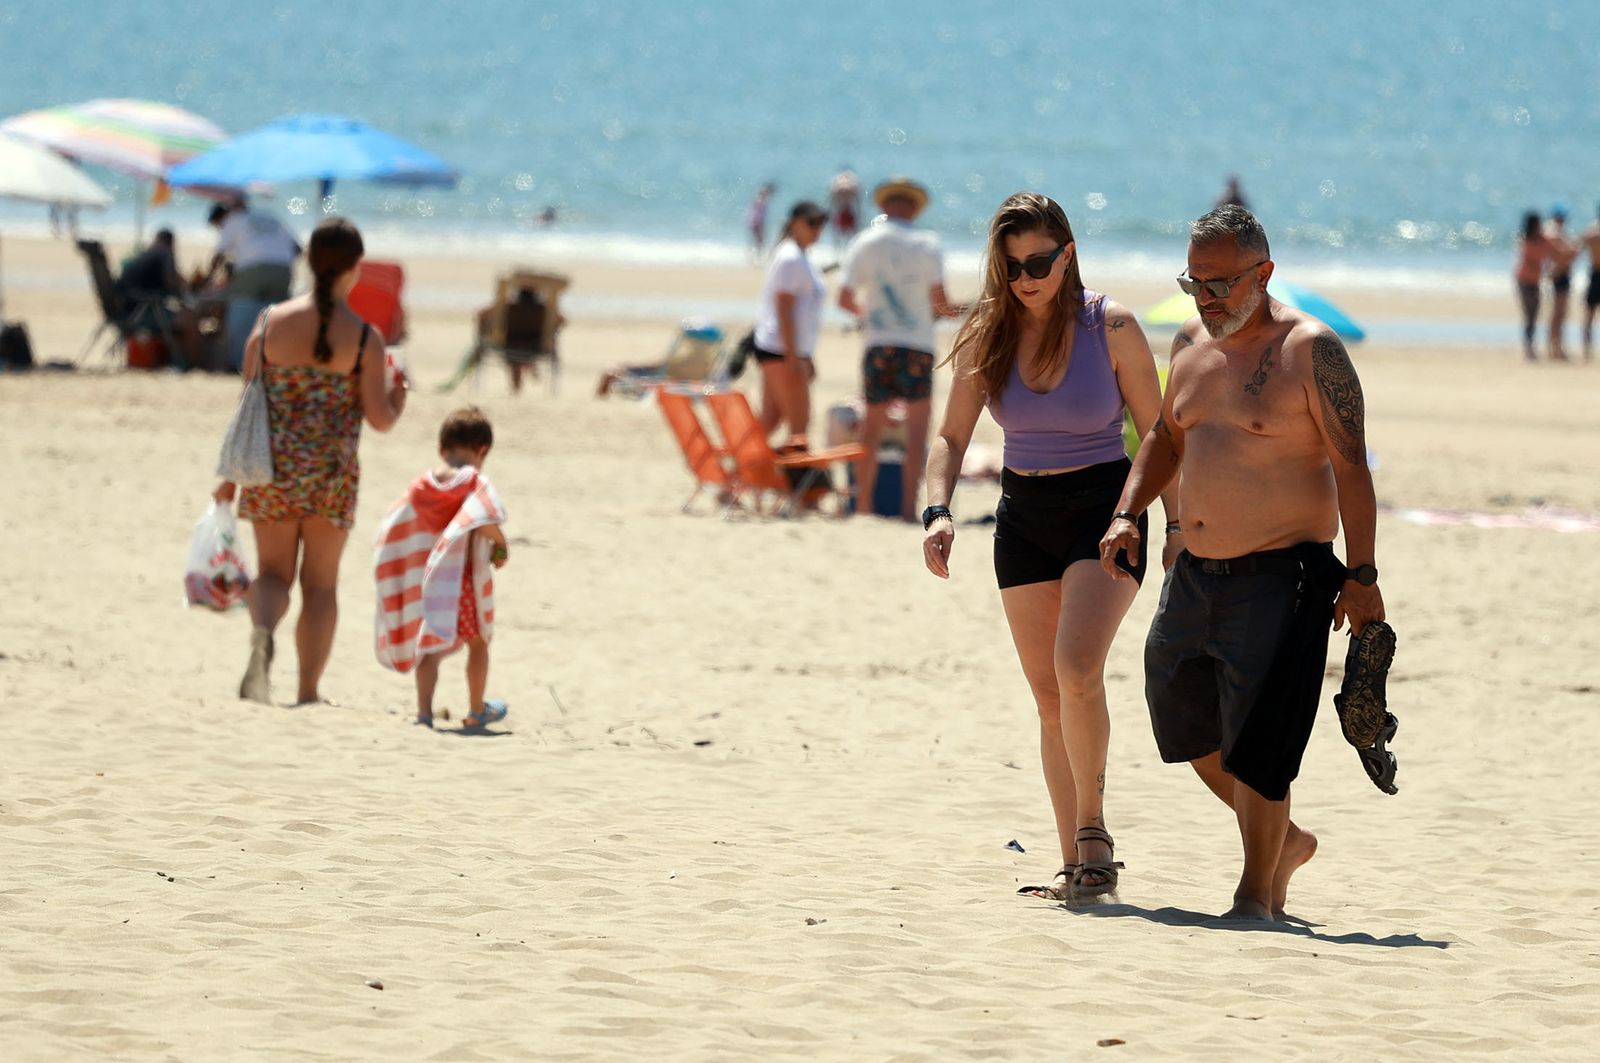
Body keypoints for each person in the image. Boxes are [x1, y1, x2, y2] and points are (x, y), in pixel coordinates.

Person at [1098, 204, 1384, 921]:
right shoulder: (1189, 341)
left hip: (1284, 575)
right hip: (1196, 570)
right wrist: (1128, 511)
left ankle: (1258, 893)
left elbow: (1352, 468)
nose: (1206, 298)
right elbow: (1166, 437)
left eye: (1221, 284)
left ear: (1265, 272)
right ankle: (1283, 840)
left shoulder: (1310, 351)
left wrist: (1362, 576)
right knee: (1179, 714)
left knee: (1262, 740)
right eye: (1194, 282)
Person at [922, 192, 1176, 900]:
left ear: (1068, 254)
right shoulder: (988, 331)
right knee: (1048, 697)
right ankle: (1075, 865)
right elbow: (950, 436)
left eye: (1038, 263)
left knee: (1076, 667)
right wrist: (938, 511)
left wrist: (1177, 526)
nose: (1025, 279)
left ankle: (1094, 834)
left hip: (1107, 513)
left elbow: (1161, 434)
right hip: (1023, 520)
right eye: (1011, 267)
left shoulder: (1111, 325)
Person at [214, 217, 408, 706]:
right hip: (331, 478)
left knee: (272, 575)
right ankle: (307, 691)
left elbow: (246, 405)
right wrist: (397, 398)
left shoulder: (269, 324)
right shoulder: (364, 338)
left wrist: (230, 479)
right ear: (354, 267)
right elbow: (380, 419)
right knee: (320, 586)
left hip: (270, 471)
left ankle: (263, 630)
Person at [373, 407, 510, 732]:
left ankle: (424, 713)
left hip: (429, 582)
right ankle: (476, 709)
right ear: (482, 451)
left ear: (441, 448)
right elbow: (483, 519)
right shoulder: (474, 482)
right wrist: (500, 544)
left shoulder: (420, 486)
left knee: (429, 647)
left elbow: (399, 522)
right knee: (478, 643)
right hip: (463, 584)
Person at [837, 176, 965, 520]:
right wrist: (970, 309)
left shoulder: (865, 241)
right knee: (917, 433)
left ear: (884, 206)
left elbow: (845, 298)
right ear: (914, 208)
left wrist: (870, 317)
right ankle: (908, 509)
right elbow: (941, 305)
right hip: (918, 345)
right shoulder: (928, 244)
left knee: (871, 429)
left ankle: (864, 506)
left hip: (879, 343)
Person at [751, 201, 829, 445]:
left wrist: (805, 355)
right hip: (782, 350)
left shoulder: (796, 255)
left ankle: (742, 466)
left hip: (781, 348)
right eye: (811, 223)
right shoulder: (790, 257)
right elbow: (784, 309)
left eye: (821, 224)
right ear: (795, 223)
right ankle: (788, 471)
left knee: (770, 418)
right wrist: (794, 356)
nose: (817, 230)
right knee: (799, 427)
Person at [206, 199, 303, 371]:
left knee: (240, 312)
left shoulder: (233, 219)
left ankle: (237, 362)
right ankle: (276, 361)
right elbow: (298, 249)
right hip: (283, 270)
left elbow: (219, 255)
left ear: (222, 216)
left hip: (253, 269)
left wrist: (208, 280)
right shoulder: (270, 216)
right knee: (276, 317)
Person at [115, 229, 203, 364]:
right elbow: (170, 280)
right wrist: (185, 295)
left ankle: (180, 359)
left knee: (182, 315)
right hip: (140, 313)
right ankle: (193, 362)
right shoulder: (164, 253)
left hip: (125, 310)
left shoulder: (146, 255)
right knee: (188, 318)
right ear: (171, 243)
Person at [1513, 211, 1550, 362]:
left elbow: (1553, 249)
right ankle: (1528, 349)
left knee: (1534, 316)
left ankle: (1530, 348)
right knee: (1529, 315)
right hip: (1524, 281)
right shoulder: (1525, 240)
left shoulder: (1541, 239)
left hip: (1535, 282)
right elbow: (1533, 260)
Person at [1545, 205, 1579, 361]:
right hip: (1559, 275)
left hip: (1562, 274)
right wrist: (1570, 252)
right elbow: (1562, 253)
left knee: (1561, 313)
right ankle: (1554, 348)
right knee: (1558, 314)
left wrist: (1570, 252)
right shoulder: (1553, 232)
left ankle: (1557, 346)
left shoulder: (1558, 232)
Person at [1581, 204, 1600, 362]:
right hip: (1595, 274)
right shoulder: (1593, 230)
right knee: (1589, 314)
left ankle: (1587, 350)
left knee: (1589, 315)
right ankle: (1586, 350)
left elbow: (1578, 247)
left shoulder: (1591, 230)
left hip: (1594, 273)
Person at [829, 167, 861, 246]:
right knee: (854, 237)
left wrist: (832, 217)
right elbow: (858, 204)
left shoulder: (837, 186)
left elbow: (833, 204)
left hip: (842, 213)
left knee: (839, 237)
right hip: (849, 212)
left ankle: (838, 250)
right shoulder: (853, 185)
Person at [746, 183, 775, 259]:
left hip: (755, 222)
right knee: (759, 241)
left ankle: (755, 256)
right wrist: (758, 223)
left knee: (757, 240)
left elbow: (753, 212)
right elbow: (757, 214)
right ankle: (756, 256)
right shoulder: (760, 201)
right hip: (757, 223)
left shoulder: (758, 200)